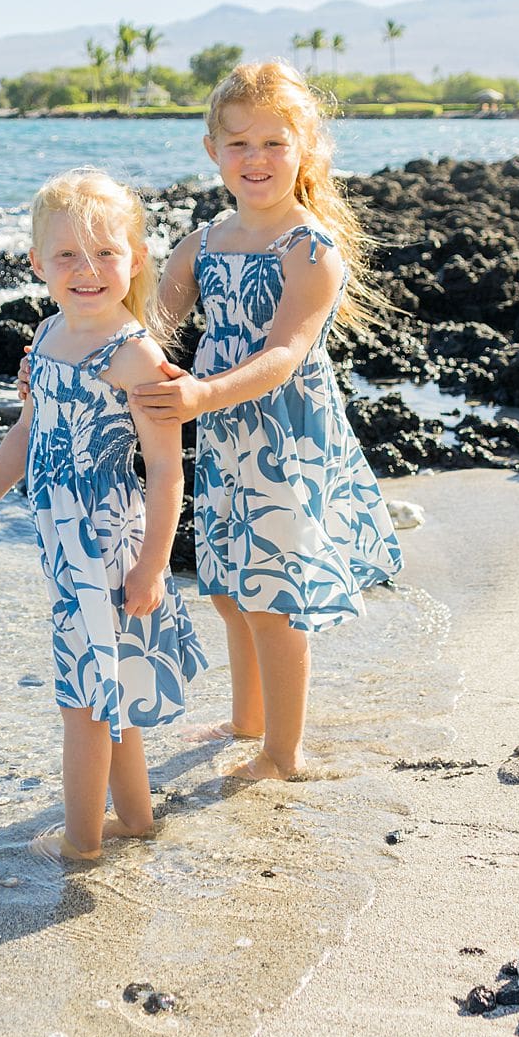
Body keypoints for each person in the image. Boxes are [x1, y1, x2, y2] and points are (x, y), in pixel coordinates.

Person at [128, 61, 402, 782]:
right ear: (211, 151)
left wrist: (197, 397)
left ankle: (283, 753)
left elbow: (284, 354)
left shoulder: (310, 250)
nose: (256, 159)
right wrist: (77, 359)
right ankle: (247, 718)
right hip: (224, 441)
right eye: (239, 144)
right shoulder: (207, 241)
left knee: (274, 599)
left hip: (283, 441)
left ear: (306, 148)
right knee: (225, 585)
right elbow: (149, 325)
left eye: (274, 144)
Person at [0, 169, 206, 861]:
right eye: (66, 255)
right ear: (37, 263)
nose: (87, 271)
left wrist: (153, 564)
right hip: (63, 545)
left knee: (83, 701)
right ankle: (136, 820)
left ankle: (81, 847)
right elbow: (27, 432)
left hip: (109, 548)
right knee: (106, 684)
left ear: (136, 260)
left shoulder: (133, 356)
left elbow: (166, 469)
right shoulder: (48, 334)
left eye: (105, 254)